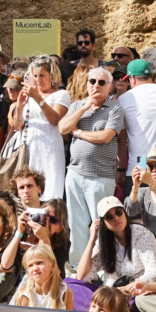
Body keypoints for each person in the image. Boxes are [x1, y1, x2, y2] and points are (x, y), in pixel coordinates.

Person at [60, 63, 121, 261]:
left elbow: (105, 137)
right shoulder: (78, 105)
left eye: (101, 82)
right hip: (75, 173)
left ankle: (103, 265)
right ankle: (79, 266)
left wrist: (77, 132)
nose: (96, 85)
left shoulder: (115, 110)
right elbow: (62, 127)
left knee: (101, 223)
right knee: (76, 224)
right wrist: (85, 107)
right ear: (87, 84)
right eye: (92, 81)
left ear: (109, 87)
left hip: (101, 175)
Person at [10, 57, 71, 202]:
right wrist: (19, 107)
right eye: (35, 76)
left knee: (50, 192)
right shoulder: (28, 97)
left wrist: (38, 99)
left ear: (52, 76)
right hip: (29, 148)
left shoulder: (61, 94)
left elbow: (54, 119)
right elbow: (18, 126)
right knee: (28, 191)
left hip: (50, 149)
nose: (38, 80)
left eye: (42, 75)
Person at [77, 195, 156, 294]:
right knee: (74, 286)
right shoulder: (105, 241)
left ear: (124, 213)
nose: (116, 218)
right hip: (116, 293)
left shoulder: (141, 234)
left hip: (140, 292)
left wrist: (127, 288)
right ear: (103, 223)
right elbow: (82, 276)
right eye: (109, 217)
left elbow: (155, 273)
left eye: (118, 212)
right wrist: (91, 240)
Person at [10, 243, 73, 309]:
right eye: (30, 265)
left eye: (39, 263)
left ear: (53, 265)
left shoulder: (64, 291)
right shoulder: (24, 295)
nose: (35, 268)